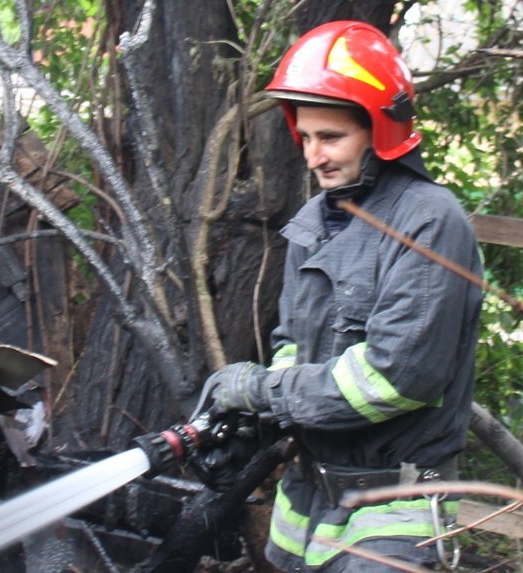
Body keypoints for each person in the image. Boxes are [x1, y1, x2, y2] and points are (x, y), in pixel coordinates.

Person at [206, 20, 483, 572]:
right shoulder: (315, 221)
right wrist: (263, 415)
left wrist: (266, 391)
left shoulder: (431, 221)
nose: (313, 156)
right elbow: (291, 342)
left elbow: (396, 377)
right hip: (307, 496)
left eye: (331, 138)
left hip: (393, 506)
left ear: (380, 131)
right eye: (306, 138)